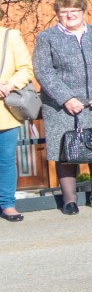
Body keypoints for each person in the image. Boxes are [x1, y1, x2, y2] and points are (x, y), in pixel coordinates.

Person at [0, 17, 36, 221]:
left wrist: (9, 85)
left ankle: (7, 204)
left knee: (5, 161)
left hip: (5, 110)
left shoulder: (9, 36)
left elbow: (26, 69)